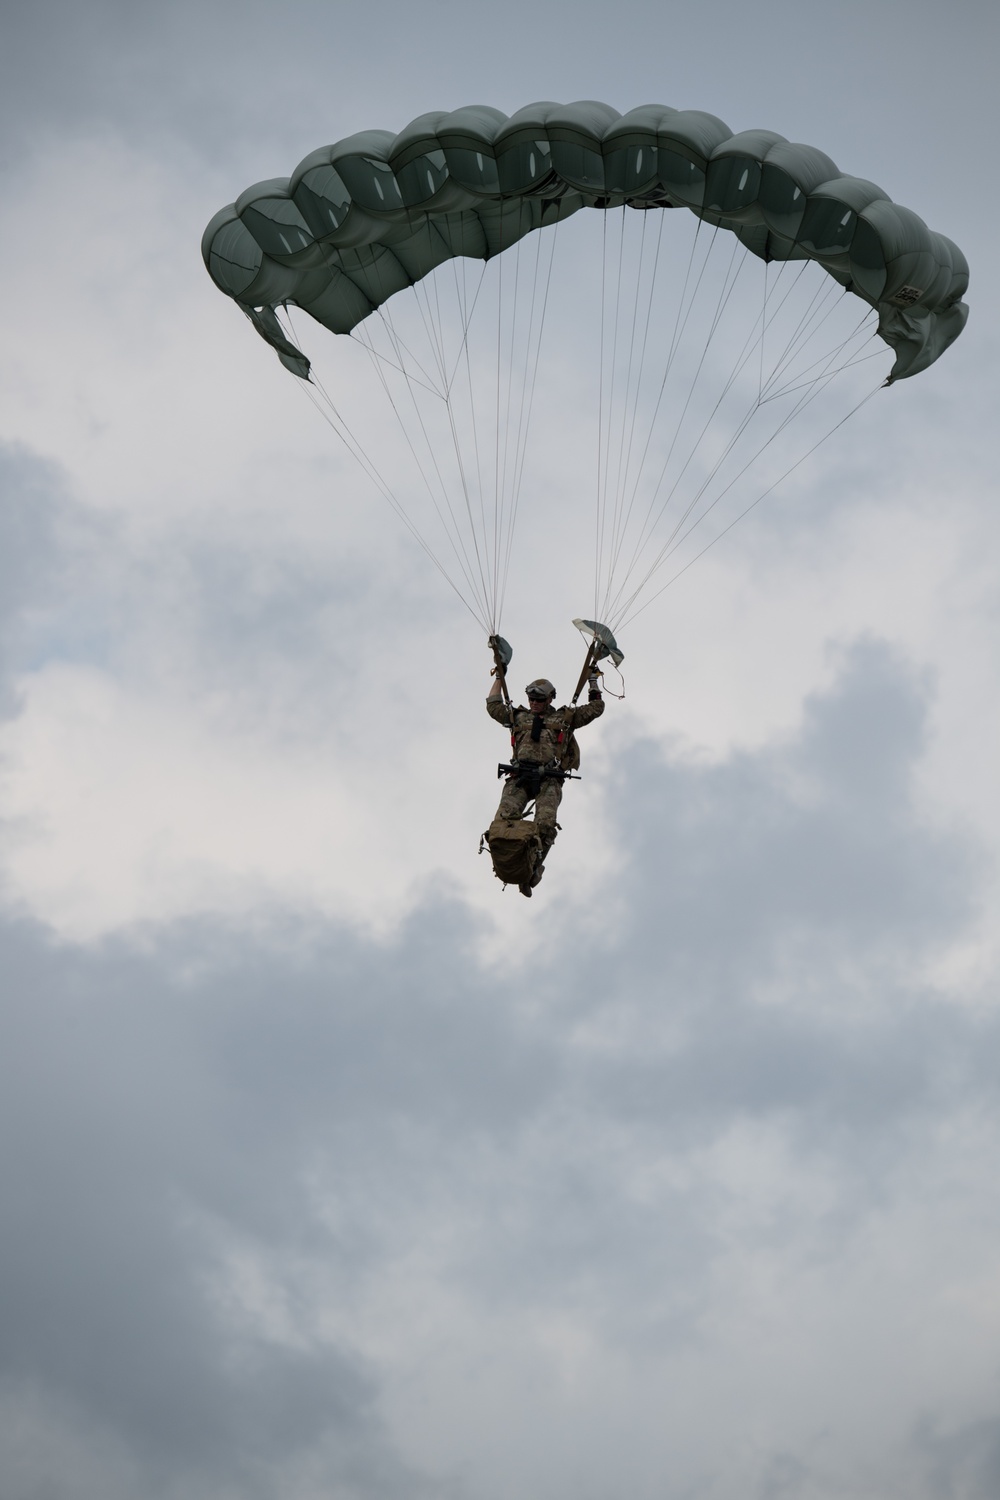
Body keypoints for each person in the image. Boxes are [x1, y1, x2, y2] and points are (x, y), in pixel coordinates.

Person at [487, 659, 604, 896]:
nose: (534, 703)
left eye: (539, 700)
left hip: (549, 778)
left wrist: (593, 681)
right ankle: (510, 865)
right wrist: (499, 676)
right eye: (531, 699)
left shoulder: (564, 719)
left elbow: (595, 709)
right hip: (520, 775)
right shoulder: (518, 717)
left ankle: (533, 869)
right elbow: (493, 706)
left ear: (550, 699)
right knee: (503, 822)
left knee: (546, 824)